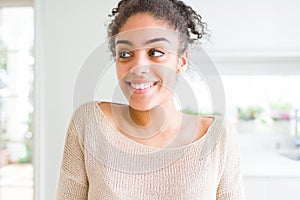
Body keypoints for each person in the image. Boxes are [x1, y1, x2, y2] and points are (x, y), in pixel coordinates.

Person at [56, 0, 245, 199]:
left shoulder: (218, 137)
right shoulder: (89, 123)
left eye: (155, 53)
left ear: (181, 62)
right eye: (125, 54)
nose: (138, 67)